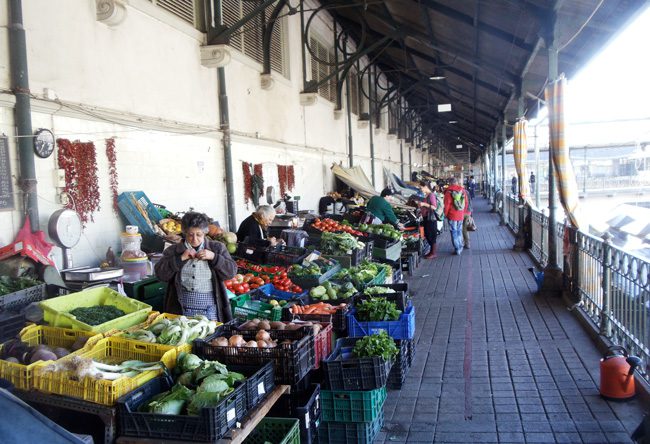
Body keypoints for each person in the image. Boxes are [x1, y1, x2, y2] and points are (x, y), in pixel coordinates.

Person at [155, 212, 236, 321]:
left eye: (199, 235)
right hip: (181, 310)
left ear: (205, 232)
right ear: (184, 233)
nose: (194, 239)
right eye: (190, 235)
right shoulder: (173, 250)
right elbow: (160, 274)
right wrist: (180, 259)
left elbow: (231, 272)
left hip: (210, 309)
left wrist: (214, 257)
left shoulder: (216, 248)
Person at [444, 177, 470, 255]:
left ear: (450, 183)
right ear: (456, 182)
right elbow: (466, 202)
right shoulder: (462, 190)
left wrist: (445, 214)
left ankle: (457, 248)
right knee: (459, 231)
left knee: (453, 232)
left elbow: (447, 205)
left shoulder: (448, 192)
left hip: (452, 215)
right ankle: (460, 246)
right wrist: (463, 211)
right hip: (460, 214)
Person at [416, 180, 442, 259]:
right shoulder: (427, 195)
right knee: (428, 234)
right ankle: (431, 252)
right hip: (426, 218)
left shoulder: (431, 195)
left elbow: (434, 207)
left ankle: (433, 253)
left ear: (426, 187)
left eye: (421, 187)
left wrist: (424, 204)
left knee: (431, 235)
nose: (421, 189)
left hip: (431, 219)